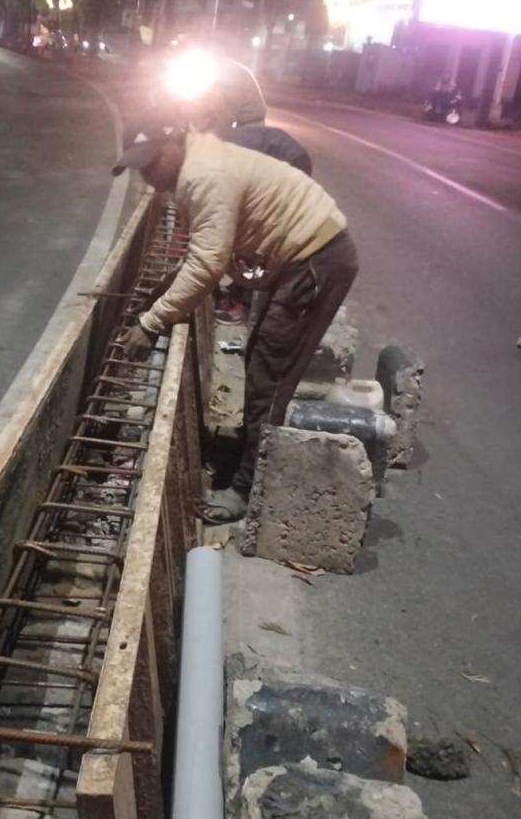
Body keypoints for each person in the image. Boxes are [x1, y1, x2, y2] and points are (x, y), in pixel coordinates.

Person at [112, 127, 357, 524]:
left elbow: (207, 264)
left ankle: (245, 489)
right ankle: (248, 453)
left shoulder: (204, 175)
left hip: (316, 260)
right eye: (142, 168)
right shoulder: (199, 164)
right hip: (307, 255)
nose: (150, 176)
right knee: (261, 358)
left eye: (153, 162)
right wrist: (165, 291)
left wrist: (152, 323)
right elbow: (207, 250)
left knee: (269, 375)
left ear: (175, 140)